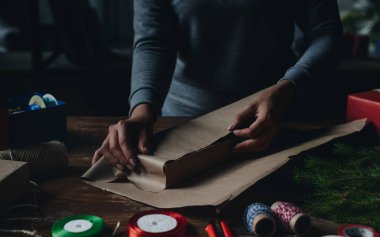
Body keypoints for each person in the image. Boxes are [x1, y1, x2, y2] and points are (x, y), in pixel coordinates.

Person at [92, 0, 342, 171]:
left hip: (274, 120)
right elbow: (153, 41)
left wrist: (288, 88)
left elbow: (325, 32)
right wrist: (142, 111)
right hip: (182, 124)